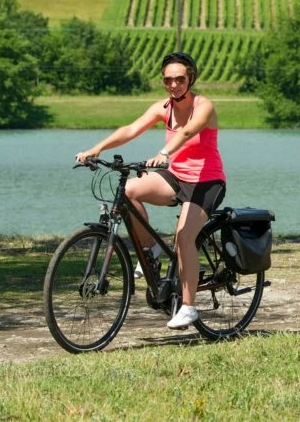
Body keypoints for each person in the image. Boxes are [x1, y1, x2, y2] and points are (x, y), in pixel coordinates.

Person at [74, 52, 226, 329]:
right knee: (128, 190)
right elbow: (131, 129)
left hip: (206, 182)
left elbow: (187, 132)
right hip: (175, 176)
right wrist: (97, 149)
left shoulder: (204, 105)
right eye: (168, 80)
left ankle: (189, 307)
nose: (174, 85)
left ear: (190, 78)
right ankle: (151, 250)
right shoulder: (163, 108)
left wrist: (164, 152)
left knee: (184, 237)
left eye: (179, 79)